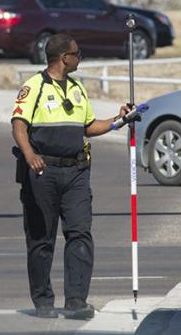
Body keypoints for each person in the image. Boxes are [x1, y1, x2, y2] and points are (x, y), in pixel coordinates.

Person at [11, 33, 132, 320]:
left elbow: (88, 126)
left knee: (80, 233)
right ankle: (43, 301)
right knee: (41, 239)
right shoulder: (34, 86)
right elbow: (18, 125)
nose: (80, 57)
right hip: (43, 171)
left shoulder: (78, 87)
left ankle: (76, 301)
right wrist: (29, 155)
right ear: (64, 58)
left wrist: (119, 120)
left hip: (76, 172)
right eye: (77, 53)